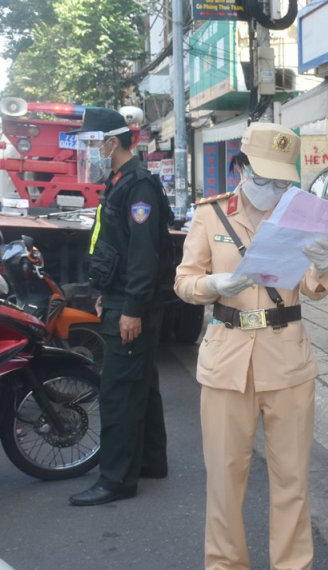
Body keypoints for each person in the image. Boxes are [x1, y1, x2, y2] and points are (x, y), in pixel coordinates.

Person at [174, 123, 328, 570]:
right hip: (227, 361)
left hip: (287, 360)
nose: (274, 189)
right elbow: (184, 281)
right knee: (225, 483)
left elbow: (311, 286)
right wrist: (213, 283)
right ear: (241, 168)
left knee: (292, 482)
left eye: (283, 180)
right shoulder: (210, 215)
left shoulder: (299, 216)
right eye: (265, 178)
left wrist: (323, 267)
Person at [69, 108, 171, 506]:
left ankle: (116, 480)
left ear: (112, 143)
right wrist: (107, 291)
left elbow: (145, 256)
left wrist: (130, 308)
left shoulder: (138, 186)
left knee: (118, 392)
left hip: (133, 304)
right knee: (141, 384)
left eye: (93, 143)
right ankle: (150, 462)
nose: (90, 151)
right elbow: (117, 246)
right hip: (119, 295)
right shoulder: (120, 181)